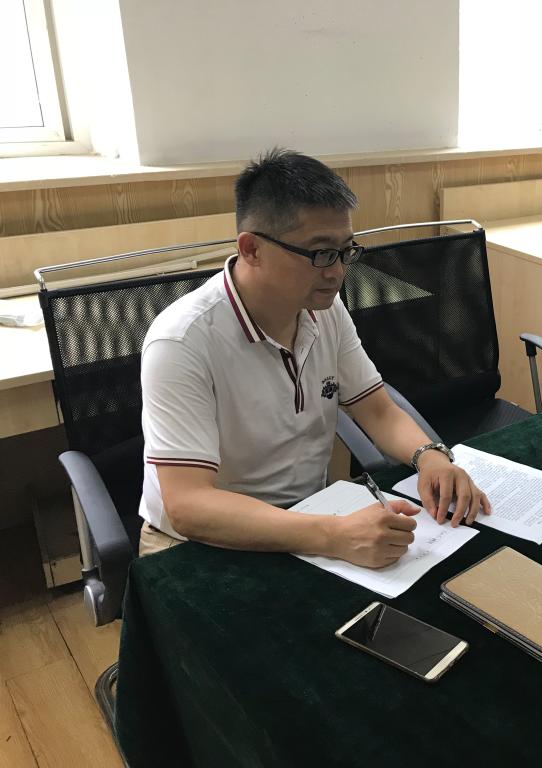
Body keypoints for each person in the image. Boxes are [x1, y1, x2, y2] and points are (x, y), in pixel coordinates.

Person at [138, 148, 489, 564]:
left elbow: (376, 409)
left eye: (346, 250)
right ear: (252, 249)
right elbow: (189, 504)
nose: (337, 272)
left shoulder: (325, 310)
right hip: (198, 544)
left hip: (309, 519)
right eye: (320, 253)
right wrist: (332, 535)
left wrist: (430, 457)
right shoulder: (182, 342)